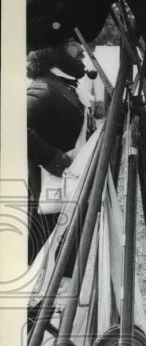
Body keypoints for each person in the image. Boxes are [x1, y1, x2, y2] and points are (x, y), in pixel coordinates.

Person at [26, 17, 92, 264]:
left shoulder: (63, 86)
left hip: (67, 188)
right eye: (74, 43)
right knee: (38, 255)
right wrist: (59, 161)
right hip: (49, 188)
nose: (82, 50)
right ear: (55, 50)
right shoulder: (44, 89)